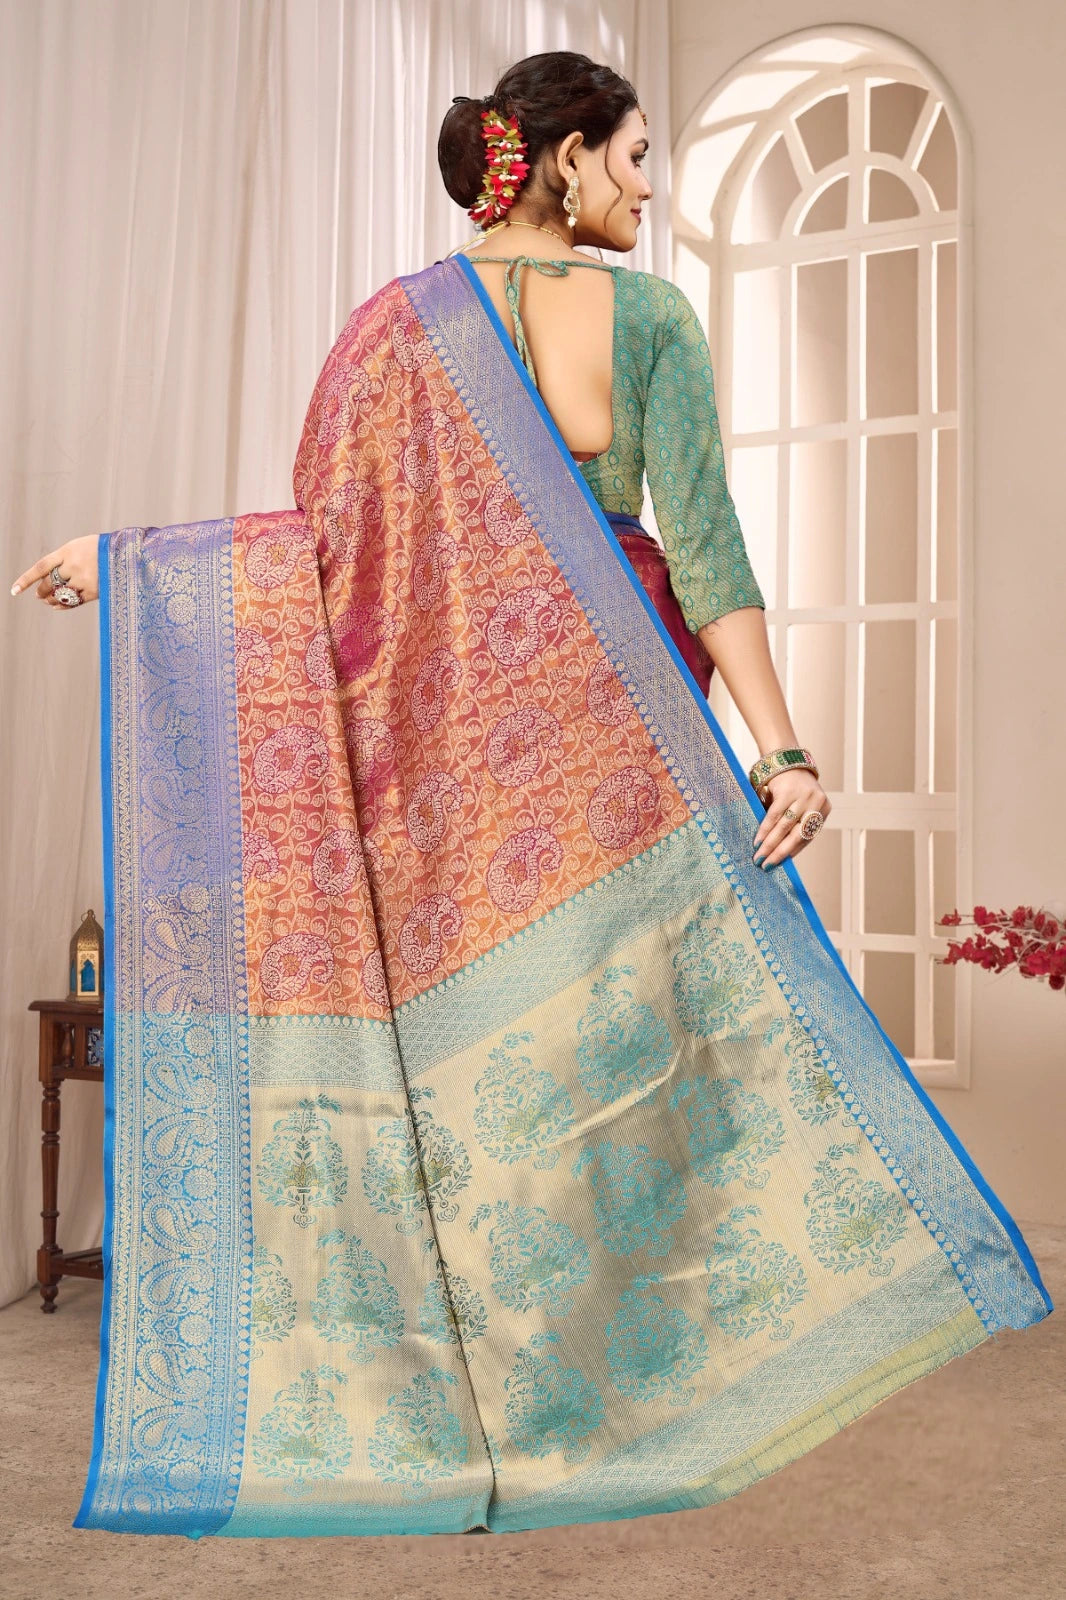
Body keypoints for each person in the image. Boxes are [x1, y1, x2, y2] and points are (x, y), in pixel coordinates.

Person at [10, 49, 1051, 1542]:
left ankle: (571, 1397)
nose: (645, 187)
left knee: (586, 1075)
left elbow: (353, 565)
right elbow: (646, 553)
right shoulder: (536, 330)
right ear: (562, 159)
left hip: (567, 756)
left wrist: (130, 575)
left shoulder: (422, 331)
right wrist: (782, 748)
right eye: (633, 157)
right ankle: (527, 1403)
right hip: (526, 763)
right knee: (544, 1083)